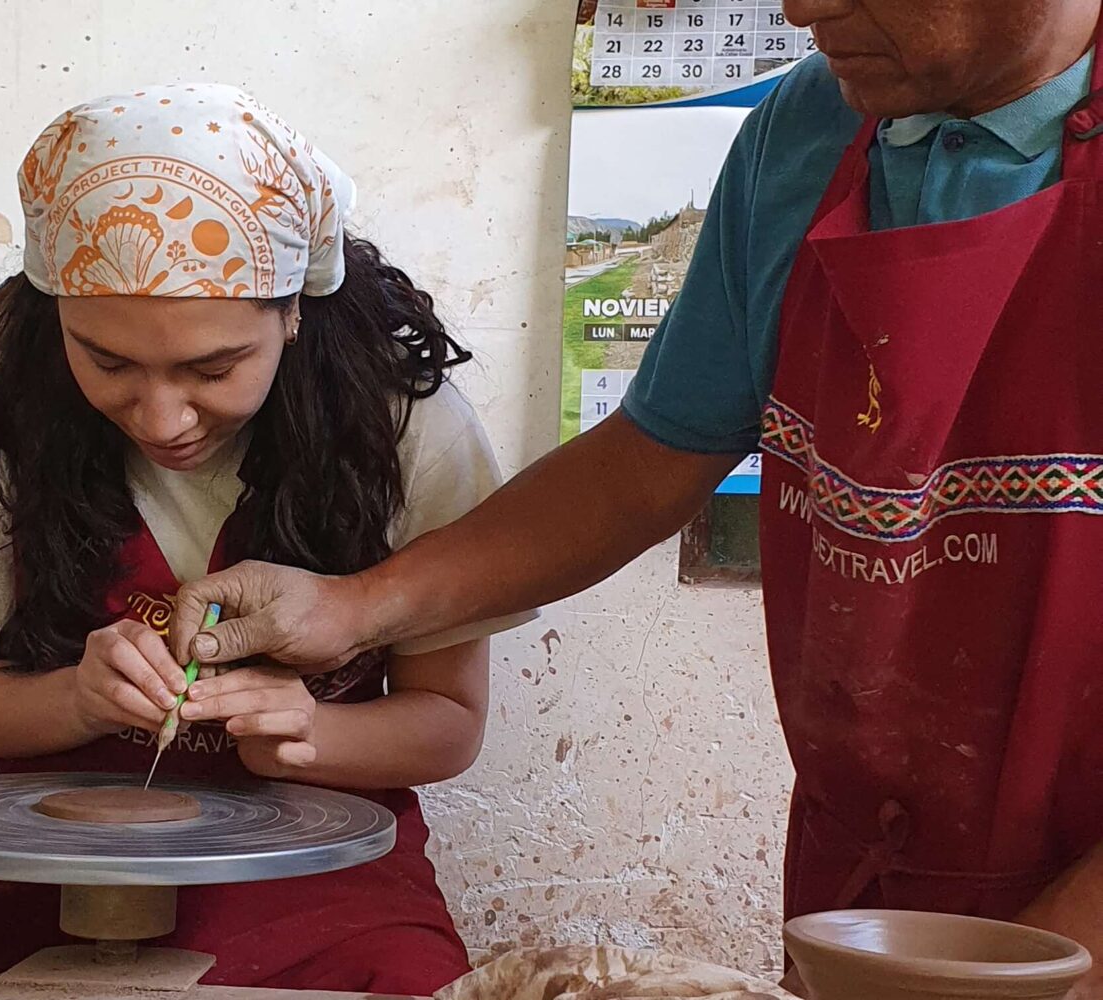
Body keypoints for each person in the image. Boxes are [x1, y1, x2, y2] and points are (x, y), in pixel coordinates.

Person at [170, 0, 1103, 989]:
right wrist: (350, 606)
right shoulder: (808, 132)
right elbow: (642, 468)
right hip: (867, 878)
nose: (798, 8)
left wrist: (1029, 973)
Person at [0, 84, 532, 995]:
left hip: (317, 868)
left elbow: (449, 723)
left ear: (293, 311)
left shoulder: (396, 411)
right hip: (41, 857)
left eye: (214, 367)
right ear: (56, 314)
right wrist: (77, 701)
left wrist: (312, 731)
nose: (162, 419)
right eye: (107, 360)